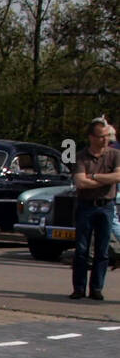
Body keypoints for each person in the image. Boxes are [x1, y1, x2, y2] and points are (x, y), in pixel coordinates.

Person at [69, 118, 120, 300]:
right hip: (86, 206)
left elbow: (118, 176)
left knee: (103, 250)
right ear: (91, 137)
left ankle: (96, 288)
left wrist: (95, 176)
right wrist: (105, 179)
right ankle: (79, 288)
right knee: (82, 249)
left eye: (107, 136)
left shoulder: (114, 155)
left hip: (106, 206)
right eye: (101, 137)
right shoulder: (82, 156)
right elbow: (80, 182)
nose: (105, 140)